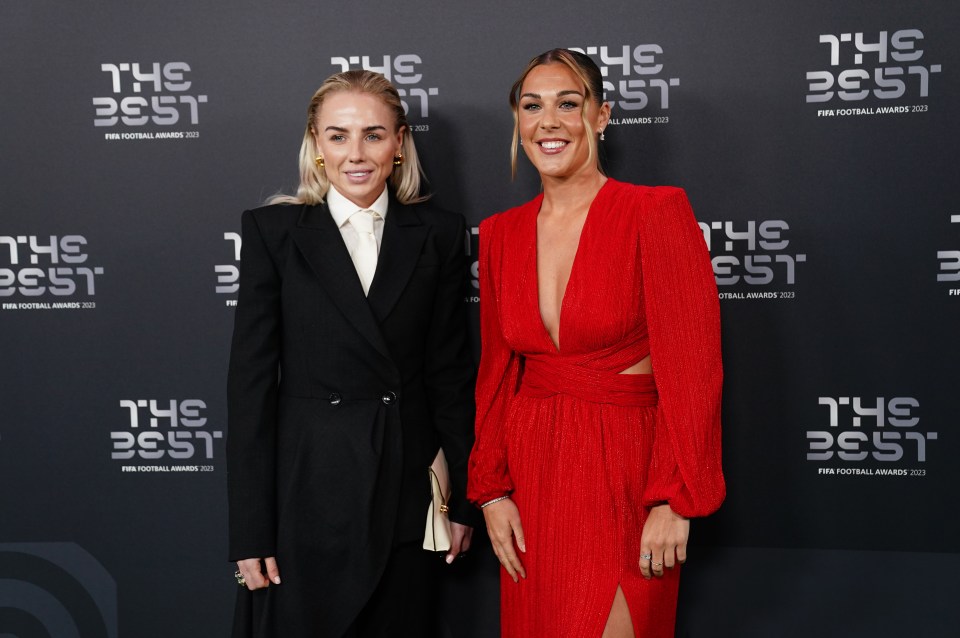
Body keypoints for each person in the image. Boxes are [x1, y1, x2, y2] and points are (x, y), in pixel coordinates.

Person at [468, 49, 725, 637]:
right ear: (518, 122)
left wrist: (673, 497)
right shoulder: (500, 233)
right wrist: (490, 491)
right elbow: (497, 374)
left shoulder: (654, 211)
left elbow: (691, 367)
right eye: (532, 106)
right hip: (533, 477)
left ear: (601, 116)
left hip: (625, 476)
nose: (548, 121)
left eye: (568, 103)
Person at [227, 69, 476, 638]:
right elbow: (249, 391)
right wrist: (249, 533)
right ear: (316, 144)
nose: (356, 153)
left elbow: (450, 377)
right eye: (338, 135)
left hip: (406, 496)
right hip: (306, 496)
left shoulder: (438, 233)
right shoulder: (273, 233)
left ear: (400, 142)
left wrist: (463, 501)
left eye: (374, 134)